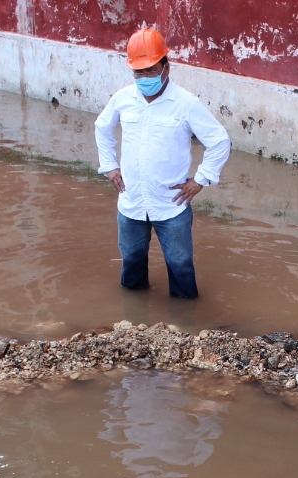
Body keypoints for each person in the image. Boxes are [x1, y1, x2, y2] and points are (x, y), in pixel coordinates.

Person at [94, 28, 231, 300]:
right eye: (138, 72)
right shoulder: (123, 99)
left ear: (166, 66)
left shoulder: (186, 103)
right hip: (131, 200)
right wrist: (109, 166)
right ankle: (130, 320)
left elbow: (219, 140)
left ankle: (186, 324)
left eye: (150, 70)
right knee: (131, 268)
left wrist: (201, 180)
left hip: (171, 204)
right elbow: (101, 127)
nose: (144, 78)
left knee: (181, 268)